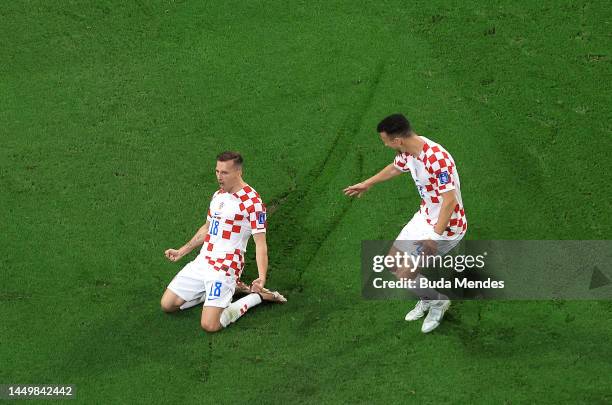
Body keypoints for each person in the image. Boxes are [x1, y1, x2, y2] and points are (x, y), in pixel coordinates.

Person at [344, 114, 467, 333]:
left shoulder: (437, 159)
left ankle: (439, 302)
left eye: (385, 140)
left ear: (397, 140)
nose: (384, 144)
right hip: (425, 215)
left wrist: (434, 237)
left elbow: (449, 202)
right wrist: (367, 183)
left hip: (446, 227)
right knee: (393, 264)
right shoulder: (408, 151)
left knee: (405, 272)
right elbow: (395, 168)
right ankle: (428, 299)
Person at [161, 151, 286, 332]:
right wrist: (182, 251)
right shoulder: (218, 196)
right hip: (204, 261)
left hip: (226, 266)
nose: (219, 177)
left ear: (238, 172)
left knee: (210, 325)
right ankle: (227, 291)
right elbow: (207, 229)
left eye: (224, 173)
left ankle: (257, 297)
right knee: (168, 305)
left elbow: (260, 244)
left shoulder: (253, 202)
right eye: (217, 171)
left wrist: (262, 276)